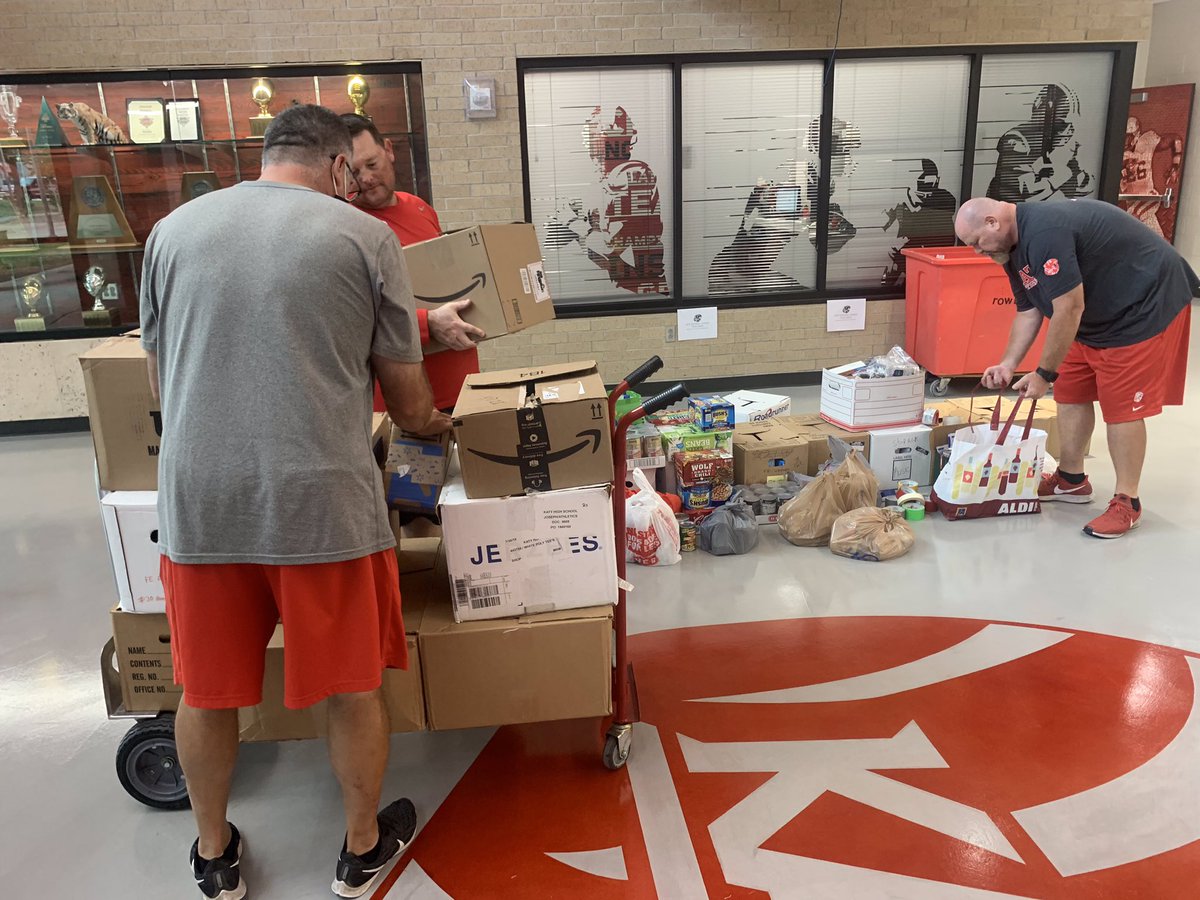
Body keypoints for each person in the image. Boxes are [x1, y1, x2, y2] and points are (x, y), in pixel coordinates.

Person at [140, 104, 450, 900]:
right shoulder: (364, 236)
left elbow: (161, 385)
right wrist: (433, 426)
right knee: (351, 689)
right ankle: (360, 849)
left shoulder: (171, 233)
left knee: (203, 692)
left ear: (267, 155)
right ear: (341, 167)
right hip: (321, 505)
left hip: (200, 504)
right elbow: (409, 401)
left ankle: (215, 859)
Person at [955, 196, 1195, 539]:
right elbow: (1029, 310)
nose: (978, 251)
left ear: (993, 222)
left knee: (1121, 408)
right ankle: (1071, 480)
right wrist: (1009, 363)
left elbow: (1068, 306)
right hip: (1094, 312)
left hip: (1142, 305)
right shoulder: (1009, 250)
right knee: (1071, 391)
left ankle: (1128, 502)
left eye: (976, 242)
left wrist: (1043, 374)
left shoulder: (1045, 231)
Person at [340, 114, 484, 414]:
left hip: (463, 386)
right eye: (354, 172)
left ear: (389, 150)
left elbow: (448, 282)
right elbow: (354, 318)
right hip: (402, 401)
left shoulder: (419, 207)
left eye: (372, 164)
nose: (365, 178)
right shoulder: (345, 229)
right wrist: (428, 323)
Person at [986, 84, 1093, 203]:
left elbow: (1084, 186)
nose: (1070, 130)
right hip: (1009, 215)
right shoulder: (1017, 140)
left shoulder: (1059, 146)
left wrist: (1076, 169)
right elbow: (1023, 193)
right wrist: (1058, 177)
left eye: (1072, 124)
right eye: (1062, 123)